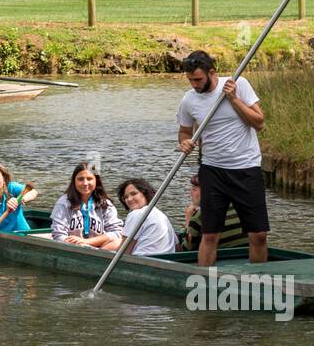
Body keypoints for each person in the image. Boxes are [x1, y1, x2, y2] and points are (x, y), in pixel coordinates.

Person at [176, 50, 269, 266]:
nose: (194, 85)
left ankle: (257, 282)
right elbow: (184, 132)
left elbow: (259, 123)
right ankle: (204, 283)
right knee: (210, 235)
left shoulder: (238, 84)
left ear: (212, 72)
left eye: (198, 79)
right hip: (212, 171)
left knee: (258, 235)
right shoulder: (188, 101)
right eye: (190, 80)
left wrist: (234, 99)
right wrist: (184, 142)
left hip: (247, 169)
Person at [49, 163, 125, 247]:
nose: (85, 183)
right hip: (72, 248)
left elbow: (117, 232)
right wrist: (79, 245)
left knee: (118, 242)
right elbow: (58, 235)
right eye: (80, 179)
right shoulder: (64, 203)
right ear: (74, 181)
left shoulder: (105, 204)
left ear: (96, 181)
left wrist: (87, 242)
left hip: (100, 249)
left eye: (89, 179)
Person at [105, 178, 178, 255]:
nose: (129, 199)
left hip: (143, 261)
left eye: (134, 194)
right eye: (125, 197)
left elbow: (124, 251)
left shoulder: (136, 214)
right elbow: (177, 247)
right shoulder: (161, 215)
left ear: (145, 193)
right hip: (166, 260)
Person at [180, 173, 247, 251]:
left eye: (194, 189)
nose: (190, 193)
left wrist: (188, 221)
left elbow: (186, 249)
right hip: (246, 258)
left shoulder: (200, 216)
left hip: (220, 261)